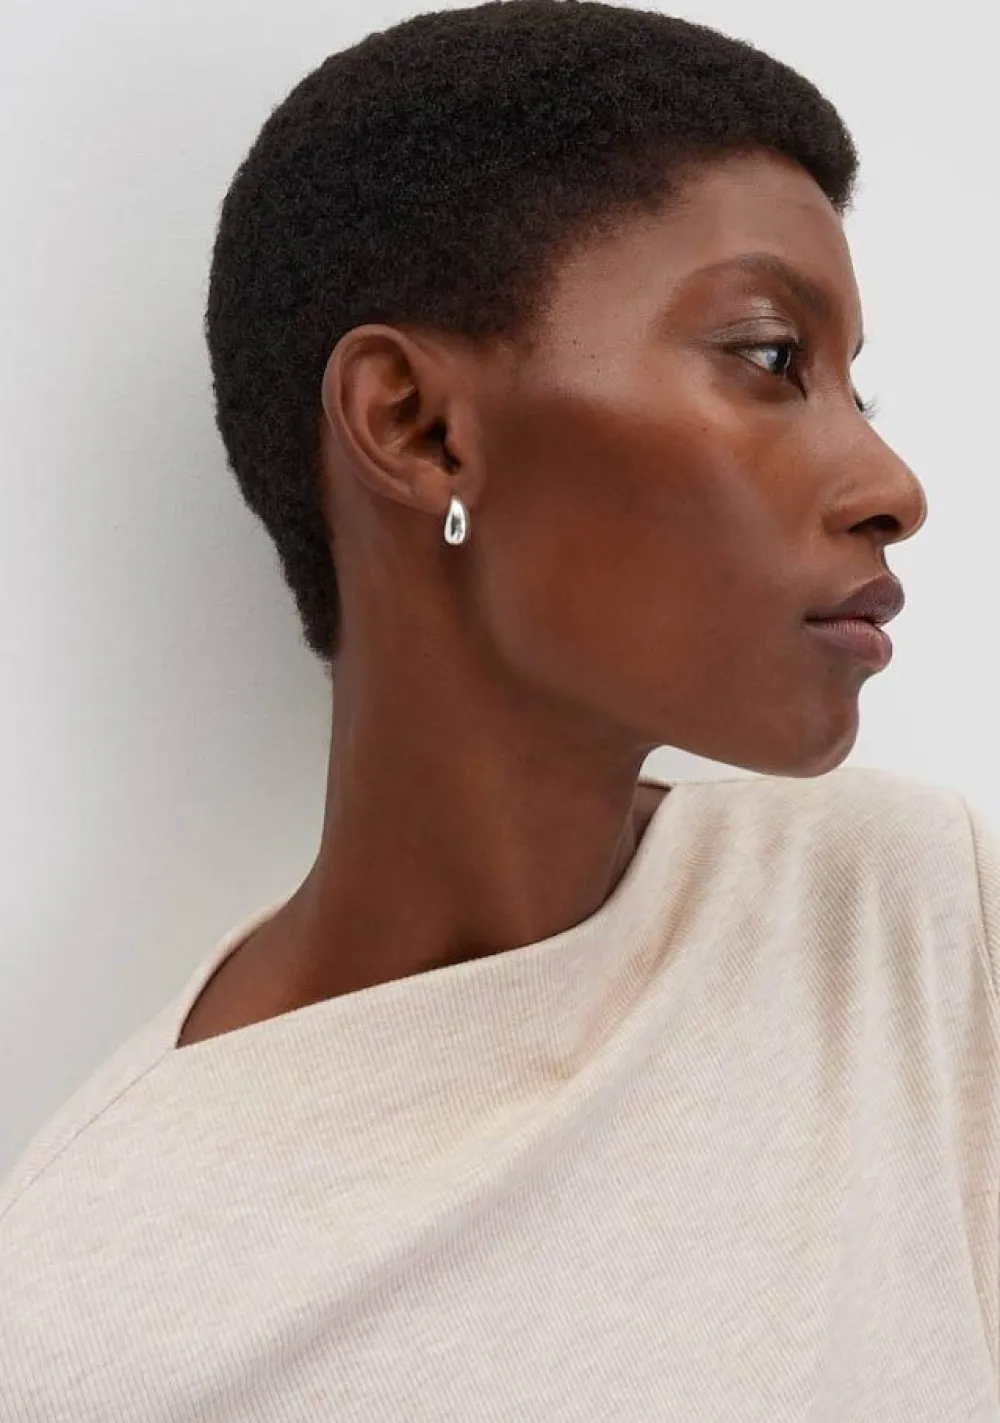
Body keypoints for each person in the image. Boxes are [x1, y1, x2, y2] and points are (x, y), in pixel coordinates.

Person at [2, 1, 998, 1417]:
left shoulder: (908, 916)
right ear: (419, 427)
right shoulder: (98, 1316)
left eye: (856, 386)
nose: (895, 487)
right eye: (773, 356)